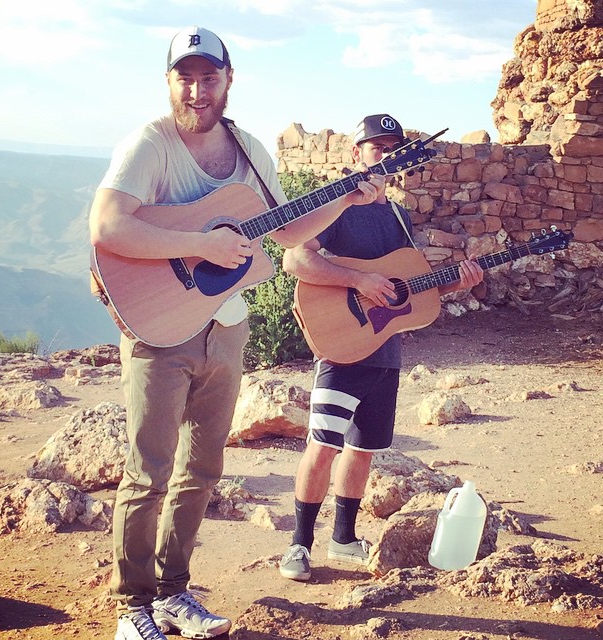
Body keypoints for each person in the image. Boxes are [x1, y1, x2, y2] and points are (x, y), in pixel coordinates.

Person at [89, 27, 387, 640]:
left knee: (201, 469)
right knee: (148, 470)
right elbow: (109, 227)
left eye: (208, 77)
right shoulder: (150, 145)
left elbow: (287, 230)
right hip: (160, 327)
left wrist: (348, 202)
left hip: (225, 326)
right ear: (169, 80)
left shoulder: (250, 150)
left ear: (229, 79)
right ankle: (131, 606)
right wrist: (203, 242)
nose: (196, 90)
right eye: (184, 77)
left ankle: (174, 593)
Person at [279, 113, 484, 582]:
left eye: (393, 149)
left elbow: (407, 291)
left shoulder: (398, 213)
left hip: (385, 348)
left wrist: (456, 284)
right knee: (323, 444)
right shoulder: (339, 204)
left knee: (364, 449)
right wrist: (358, 280)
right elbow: (295, 257)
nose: (386, 156)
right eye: (376, 148)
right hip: (341, 343)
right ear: (357, 154)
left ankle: (344, 539)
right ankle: (299, 545)